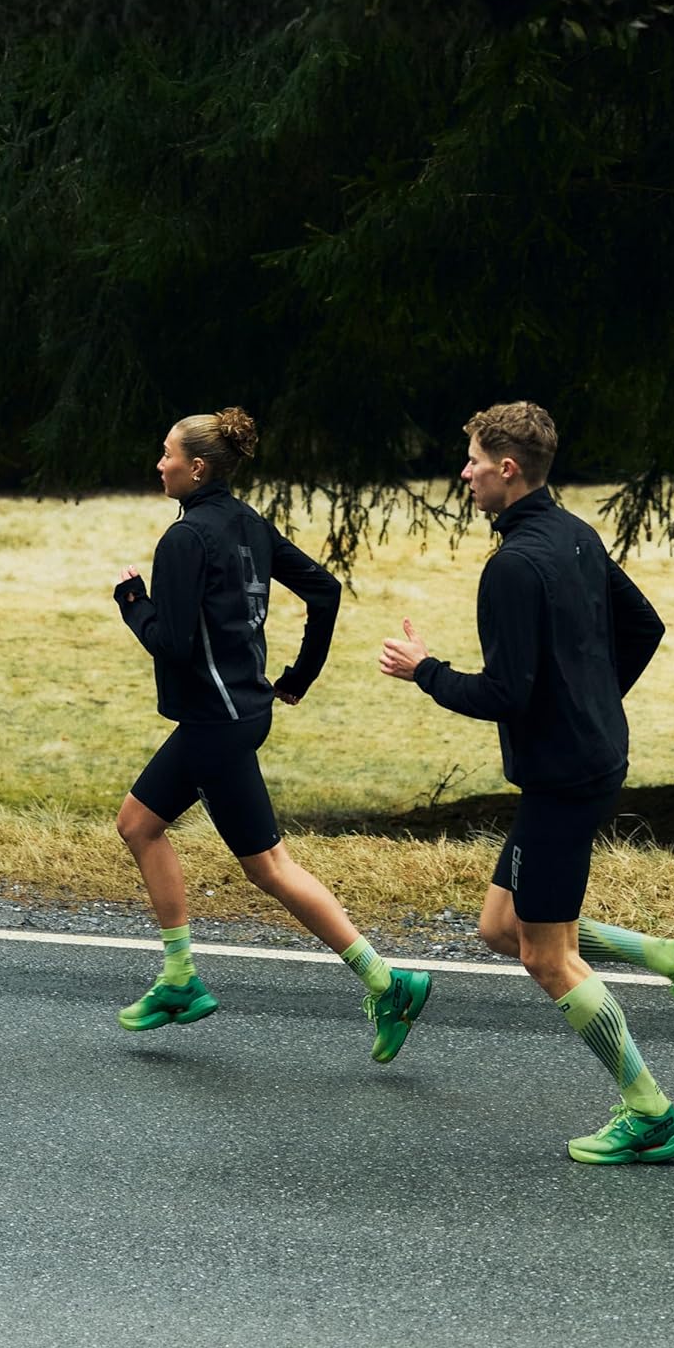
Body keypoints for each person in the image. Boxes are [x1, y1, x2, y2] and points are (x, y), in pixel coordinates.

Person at [379, 400, 674, 1164]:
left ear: (508, 469)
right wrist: (592, 703)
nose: (465, 473)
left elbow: (503, 694)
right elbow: (644, 627)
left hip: (564, 776)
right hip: (585, 761)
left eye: (475, 461)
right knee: (501, 927)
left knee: (546, 956)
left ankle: (650, 1111)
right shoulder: (575, 533)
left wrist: (424, 671)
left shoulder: (512, 567)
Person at [113, 406, 430, 1060]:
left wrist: (133, 604)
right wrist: (298, 677)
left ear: (198, 468)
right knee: (139, 825)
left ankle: (387, 982)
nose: (159, 463)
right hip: (239, 712)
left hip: (215, 723)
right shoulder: (248, 524)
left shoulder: (184, 540)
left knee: (270, 867)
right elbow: (325, 591)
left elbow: (172, 643)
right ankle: (178, 977)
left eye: (168, 454)